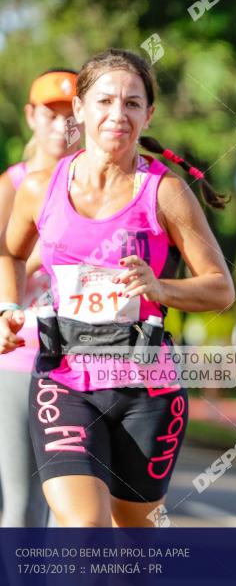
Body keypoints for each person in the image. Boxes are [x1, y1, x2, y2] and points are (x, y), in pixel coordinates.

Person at [0, 49, 235, 527]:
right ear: (80, 109)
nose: (117, 114)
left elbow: (220, 288)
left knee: (131, 542)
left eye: (132, 103)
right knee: (83, 528)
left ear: (148, 114)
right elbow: (10, 252)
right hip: (64, 379)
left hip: (147, 388)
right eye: (104, 101)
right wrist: (6, 306)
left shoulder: (164, 192)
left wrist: (159, 287)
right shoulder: (39, 188)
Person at [0, 69, 80, 527]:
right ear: (31, 116)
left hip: (80, 359)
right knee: (23, 505)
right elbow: (6, 259)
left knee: (71, 509)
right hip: (19, 358)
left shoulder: (99, 185)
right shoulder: (13, 184)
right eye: (51, 114)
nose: (62, 126)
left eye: (72, 115)